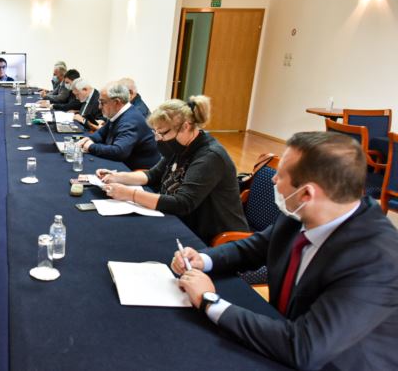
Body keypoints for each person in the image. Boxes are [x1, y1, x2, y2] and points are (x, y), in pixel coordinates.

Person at [172, 131, 398, 370]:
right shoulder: (304, 212)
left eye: (280, 175)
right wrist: (203, 259)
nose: (273, 180)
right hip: (284, 336)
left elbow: (304, 347)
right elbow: (254, 247)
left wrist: (209, 301)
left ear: (307, 193)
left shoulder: (377, 261)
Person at [98, 96, 249, 244]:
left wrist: (130, 194)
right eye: (156, 133)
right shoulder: (181, 146)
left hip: (214, 238)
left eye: (163, 133)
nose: (158, 139)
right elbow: (153, 174)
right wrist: (118, 177)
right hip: (182, 221)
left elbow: (182, 203)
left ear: (186, 127)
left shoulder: (210, 156)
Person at [76, 82, 160, 170]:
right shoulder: (119, 113)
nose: (99, 107)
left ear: (116, 102)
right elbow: (101, 133)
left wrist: (90, 147)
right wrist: (90, 139)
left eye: (102, 102)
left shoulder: (130, 121)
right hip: (124, 163)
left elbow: (119, 152)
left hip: (137, 170)